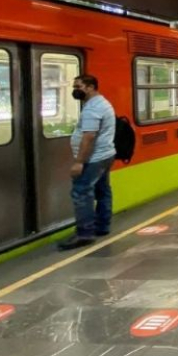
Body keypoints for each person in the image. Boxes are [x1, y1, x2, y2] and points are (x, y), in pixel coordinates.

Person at [59, 74, 116, 250]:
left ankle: (85, 234)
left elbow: (89, 136)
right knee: (102, 190)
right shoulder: (101, 103)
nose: (75, 90)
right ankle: (102, 226)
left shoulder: (93, 108)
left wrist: (79, 162)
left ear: (90, 87)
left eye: (78, 87)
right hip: (105, 154)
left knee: (81, 193)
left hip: (94, 159)